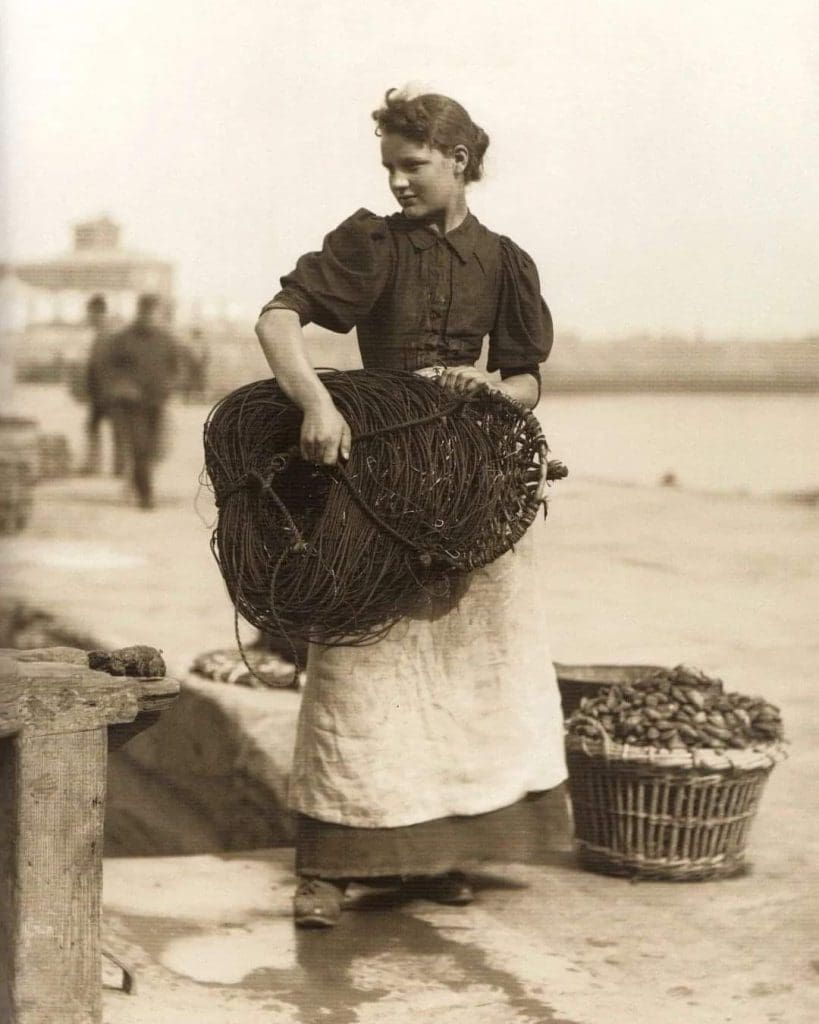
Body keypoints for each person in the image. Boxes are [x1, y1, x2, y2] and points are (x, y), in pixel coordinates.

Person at [255, 88, 567, 928]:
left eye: (413, 164)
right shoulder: (370, 244)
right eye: (389, 166)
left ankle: (437, 852)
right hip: (379, 471)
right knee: (360, 661)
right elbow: (278, 320)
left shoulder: (504, 259)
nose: (397, 181)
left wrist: (494, 388)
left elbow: (528, 377)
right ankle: (328, 864)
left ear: (458, 161)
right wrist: (319, 404)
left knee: (468, 663)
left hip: (472, 478)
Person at [102, 293, 179, 509]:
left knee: (154, 449)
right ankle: (146, 495)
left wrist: (170, 385)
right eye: (146, 312)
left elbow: (176, 368)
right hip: (132, 405)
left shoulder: (166, 340)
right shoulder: (122, 339)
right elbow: (109, 369)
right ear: (140, 311)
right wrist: (123, 386)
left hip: (157, 402)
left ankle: (137, 482)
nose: (149, 316)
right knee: (139, 448)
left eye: (153, 312)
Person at [79, 294, 126, 476]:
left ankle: (116, 467)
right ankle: (99, 465)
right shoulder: (101, 332)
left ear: (98, 312)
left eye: (90, 313)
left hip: (109, 391)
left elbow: (117, 362)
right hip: (99, 391)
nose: (89, 318)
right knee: (95, 427)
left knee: (115, 429)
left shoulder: (110, 332)